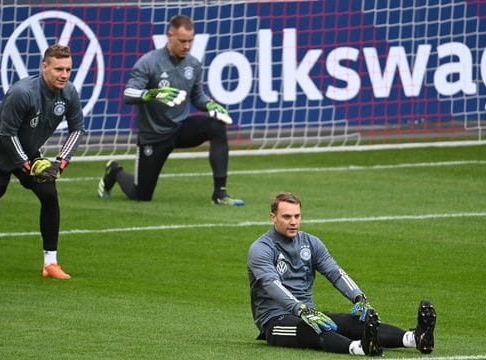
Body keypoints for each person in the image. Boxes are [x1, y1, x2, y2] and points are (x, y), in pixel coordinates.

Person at [0, 44, 85, 279]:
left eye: (68, 70)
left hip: (29, 153)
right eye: (58, 69)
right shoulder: (22, 93)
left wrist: (59, 164)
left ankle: (50, 263)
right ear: (44, 67)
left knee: (49, 195)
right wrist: (27, 165)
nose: (64, 75)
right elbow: (6, 134)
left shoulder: (69, 93)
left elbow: (76, 129)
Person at [247, 192, 437, 356]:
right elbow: (272, 284)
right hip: (276, 322)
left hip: (311, 313)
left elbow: (336, 273)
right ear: (273, 217)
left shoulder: (311, 243)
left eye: (297, 216)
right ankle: (359, 348)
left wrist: (358, 297)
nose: (294, 222)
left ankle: (414, 338)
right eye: (287, 216)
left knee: (352, 322)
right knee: (314, 328)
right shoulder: (261, 248)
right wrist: (301, 309)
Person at [97, 14, 244, 206]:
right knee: (142, 195)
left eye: (190, 41)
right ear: (169, 36)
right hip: (154, 136)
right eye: (182, 41)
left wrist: (210, 105)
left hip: (180, 128)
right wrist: (153, 94)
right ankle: (115, 171)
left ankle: (220, 193)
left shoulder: (193, 63)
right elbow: (128, 94)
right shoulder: (148, 62)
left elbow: (196, 95)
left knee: (216, 126)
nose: (186, 46)